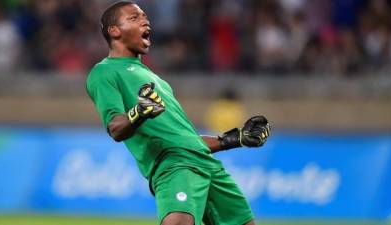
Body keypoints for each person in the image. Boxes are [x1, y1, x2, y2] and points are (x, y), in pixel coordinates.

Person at [86, 1, 270, 225]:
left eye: (145, 16)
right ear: (114, 31)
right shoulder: (104, 71)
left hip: (208, 165)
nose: (145, 20)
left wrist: (234, 139)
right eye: (134, 18)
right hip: (174, 165)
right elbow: (115, 128)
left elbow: (185, 139)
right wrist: (139, 112)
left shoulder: (157, 81)